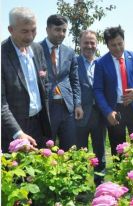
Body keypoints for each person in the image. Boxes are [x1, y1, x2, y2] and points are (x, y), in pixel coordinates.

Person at [93, 26, 133, 156]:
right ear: (107, 45)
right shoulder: (101, 63)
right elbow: (97, 90)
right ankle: (120, 175)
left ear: (124, 41)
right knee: (118, 149)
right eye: (113, 45)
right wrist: (108, 112)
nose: (118, 48)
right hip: (114, 110)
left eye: (120, 44)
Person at [1, 7, 51, 152]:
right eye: (24, 31)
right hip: (14, 128)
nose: (30, 36)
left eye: (33, 30)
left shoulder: (37, 49)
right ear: (11, 29)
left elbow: (44, 82)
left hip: (39, 123)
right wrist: (17, 133)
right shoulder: (2, 55)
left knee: (39, 172)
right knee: (17, 173)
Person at [40, 14, 83, 150]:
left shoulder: (69, 52)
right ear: (47, 30)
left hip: (67, 108)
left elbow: (75, 80)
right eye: (57, 30)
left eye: (64, 30)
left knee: (70, 149)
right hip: (46, 109)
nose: (62, 34)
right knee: (46, 149)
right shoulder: (36, 49)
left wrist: (77, 104)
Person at [75, 30, 106, 186]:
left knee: (100, 150)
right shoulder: (73, 62)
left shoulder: (102, 63)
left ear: (97, 44)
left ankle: (100, 182)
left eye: (92, 42)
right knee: (80, 150)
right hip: (80, 113)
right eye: (86, 42)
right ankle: (79, 186)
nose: (89, 46)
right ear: (80, 44)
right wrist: (76, 104)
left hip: (100, 114)